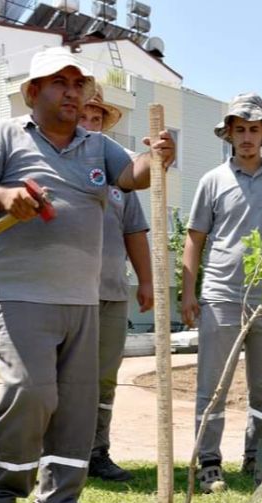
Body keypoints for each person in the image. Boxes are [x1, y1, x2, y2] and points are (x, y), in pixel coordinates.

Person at [0, 46, 174, 503]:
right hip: (18, 293)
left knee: (75, 406)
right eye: (58, 83)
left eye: (78, 84)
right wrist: (5, 197)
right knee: (31, 392)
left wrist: (156, 157)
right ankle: (2, 501)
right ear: (32, 92)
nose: (72, 92)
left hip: (83, 299)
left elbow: (132, 176)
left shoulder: (98, 146)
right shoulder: (4, 135)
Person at [181, 93, 262, 493]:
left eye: (254, 129)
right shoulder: (212, 181)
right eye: (240, 130)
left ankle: (255, 456)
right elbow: (195, 238)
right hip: (221, 294)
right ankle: (209, 461)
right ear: (230, 134)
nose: (247, 137)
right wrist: (189, 292)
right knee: (213, 385)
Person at [79, 84, 154, 482]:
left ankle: (97, 451)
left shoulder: (120, 173)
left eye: (97, 118)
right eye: (84, 117)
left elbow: (135, 230)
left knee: (105, 377)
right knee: (65, 377)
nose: (91, 124)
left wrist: (145, 280)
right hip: (67, 292)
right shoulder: (64, 164)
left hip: (110, 291)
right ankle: (59, 454)